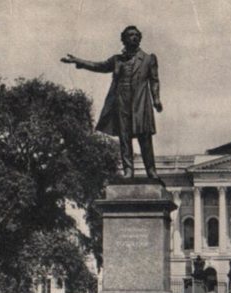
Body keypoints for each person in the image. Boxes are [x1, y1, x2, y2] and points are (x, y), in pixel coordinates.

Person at [61, 25, 163, 180]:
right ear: (123, 39)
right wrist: (79, 61)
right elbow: (99, 66)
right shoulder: (117, 60)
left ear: (140, 38)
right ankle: (128, 170)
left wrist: (156, 98)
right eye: (130, 35)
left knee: (145, 137)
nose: (133, 37)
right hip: (121, 101)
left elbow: (154, 80)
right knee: (124, 137)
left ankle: (151, 171)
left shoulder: (149, 59)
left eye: (136, 35)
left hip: (141, 102)